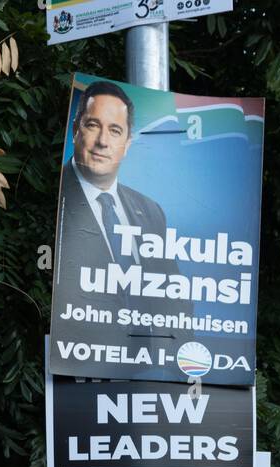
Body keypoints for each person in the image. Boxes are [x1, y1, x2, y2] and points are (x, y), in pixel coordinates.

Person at [53, 80, 191, 351]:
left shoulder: (150, 210)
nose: (103, 141)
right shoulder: (55, 194)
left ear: (127, 144)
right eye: (93, 125)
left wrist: (181, 358)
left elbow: (174, 293)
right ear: (75, 131)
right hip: (80, 367)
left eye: (115, 131)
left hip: (150, 366)